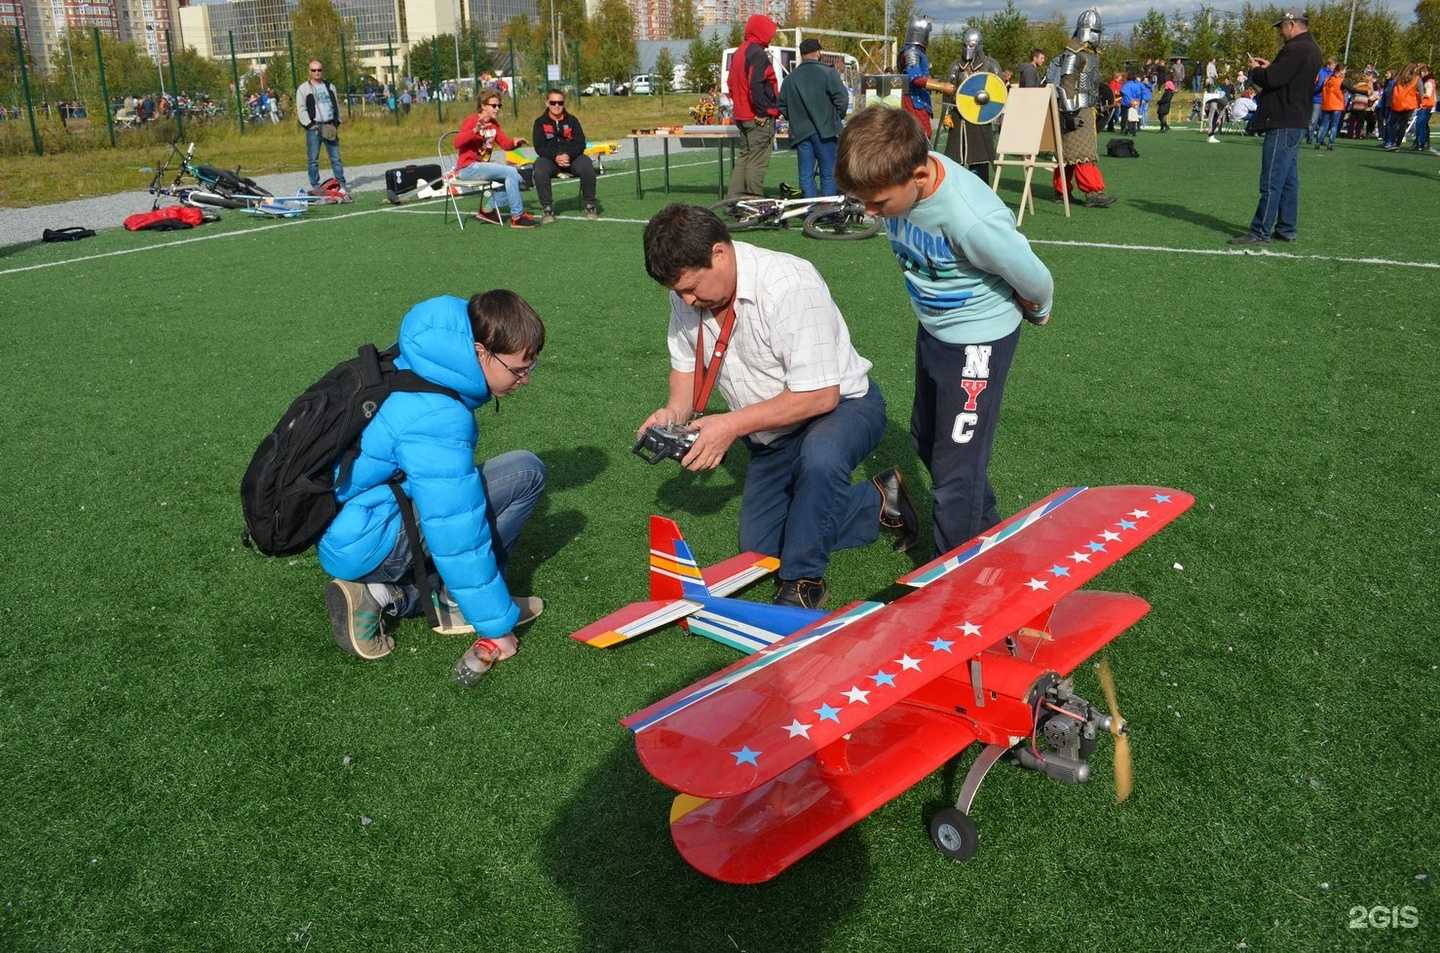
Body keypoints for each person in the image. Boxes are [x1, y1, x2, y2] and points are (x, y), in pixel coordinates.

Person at [637, 204, 920, 609]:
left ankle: (803, 581)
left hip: (842, 410)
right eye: (678, 292)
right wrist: (673, 415)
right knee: (759, 552)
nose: (686, 299)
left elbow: (821, 394)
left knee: (820, 457)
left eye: (691, 288)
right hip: (771, 429)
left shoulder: (789, 283)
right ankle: (879, 499)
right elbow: (685, 370)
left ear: (720, 253)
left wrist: (731, 426)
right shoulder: (688, 296)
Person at [836, 106, 1054, 554]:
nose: (872, 214)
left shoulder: (969, 217)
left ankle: (953, 581)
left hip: (978, 342)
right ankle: (990, 536)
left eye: (879, 204)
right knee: (927, 439)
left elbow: (1035, 277)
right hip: (936, 331)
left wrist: (1039, 310)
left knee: (956, 470)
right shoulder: (898, 179)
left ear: (918, 175)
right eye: (864, 203)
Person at [319, 291, 548, 683]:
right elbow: (456, 531)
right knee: (525, 473)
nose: (524, 380)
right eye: (518, 369)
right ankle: (409, 598)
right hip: (370, 541)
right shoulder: (440, 416)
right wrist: (494, 627)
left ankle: (389, 592)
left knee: (485, 484)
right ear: (480, 351)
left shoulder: (420, 359)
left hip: (349, 525)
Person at [1229, 11, 1323, 246]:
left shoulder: (1296, 48)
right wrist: (1272, 67)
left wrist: (1255, 70)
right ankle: (1286, 227)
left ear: (1291, 25)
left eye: (1281, 27)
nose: (1280, 32)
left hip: (1283, 119)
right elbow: (1285, 76)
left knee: (1272, 179)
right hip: (1295, 119)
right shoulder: (1311, 48)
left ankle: (1260, 231)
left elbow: (1272, 79)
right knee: (1288, 180)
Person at [1047, 10, 1118, 208]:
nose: (1097, 35)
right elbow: (1066, 84)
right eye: (1095, 31)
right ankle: (1093, 191)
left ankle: (1062, 191)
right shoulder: (1074, 53)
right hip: (1075, 109)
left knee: (1069, 154)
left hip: (1085, 107)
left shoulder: (1089, 54)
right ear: (1086, 31)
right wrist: (1069, 113)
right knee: (1082, 152)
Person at [451, 92, 538, 229]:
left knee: (518, 179)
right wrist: (475, 130)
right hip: (468, 168)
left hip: (482, 167)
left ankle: (488, 209)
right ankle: (517, 217)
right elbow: (456, 143)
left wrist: (515, 143)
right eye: (494, 105)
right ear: (483, 106)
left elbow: (505, 144)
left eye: (499, 105)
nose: (497, 108)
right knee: (511, 172)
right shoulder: (472, 120)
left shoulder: (494, 124)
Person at [779, 38, 849, 197]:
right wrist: (836, 116)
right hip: (826, 131)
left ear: (802, 54)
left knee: (806, 174)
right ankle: (828, 209)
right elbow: (842, 99)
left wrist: (795, 118)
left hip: (801, 132)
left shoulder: (790, 78)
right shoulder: (828, 72)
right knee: (828, 172)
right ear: (818, 53)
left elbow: (782, 105)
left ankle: (809, 207)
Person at [725, 13, 781, 199]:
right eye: (770, 31)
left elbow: (731, 84)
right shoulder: (757, 54)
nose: (772, 36)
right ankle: (753, 203)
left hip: (742, 114)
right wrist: (763, 112)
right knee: (756, 161)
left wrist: (740, 107)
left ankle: (734, 201)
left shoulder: (739, 52)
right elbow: (756, 85)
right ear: (762, 31)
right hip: (756, 117)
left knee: (744, 158)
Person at [940, 25, 1001, 182]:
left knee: (979, 159)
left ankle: (981, 192)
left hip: (979, 120)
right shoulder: (956, 66)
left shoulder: (991, 65)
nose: (968, 48)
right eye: (965, 45)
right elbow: (947, 93)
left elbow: (999, 93)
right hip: (958, 117)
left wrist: (997, 116)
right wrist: (946, 115)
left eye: (972, 45)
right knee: (956, 160)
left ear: (979, 46)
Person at [530, 91, 598, 223]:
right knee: (540, 169)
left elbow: (580, 143)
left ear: (563, 103)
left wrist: (568, 155)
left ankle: (590, 205)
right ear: (547, 103)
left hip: (572, 158)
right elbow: (539, 147)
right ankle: (547, 208)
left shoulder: (572, 120)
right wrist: (555, 157)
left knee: (587, 165)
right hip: (550, 159)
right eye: (553, 102)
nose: (556, 105)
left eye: (560, 103)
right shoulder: (539, 122)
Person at [296, 61, 350, 197]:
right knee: (313, 159)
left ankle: (341, 184)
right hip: (314, 127)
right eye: (313, 70)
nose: (316, 72)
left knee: (336, 157)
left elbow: (336, 105)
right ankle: (315, 185)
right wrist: (309, 125)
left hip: (329, 125)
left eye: (319, 70)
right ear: (309, 71)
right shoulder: (303, 89)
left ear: (322, 70)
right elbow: (301, 109)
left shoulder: (330, 86)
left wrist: (336, 122)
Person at [899, 14, 935, 137]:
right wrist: (941, 86)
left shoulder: (916, 51)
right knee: (921, 136)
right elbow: (916, 79)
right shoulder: (912, 52)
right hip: (914, 101)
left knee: (923, 135)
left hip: (918, 99)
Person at [1316, 65, 1354, 150]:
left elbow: (1320, 88)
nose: (1345, 72)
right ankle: (1330, 144)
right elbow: (1351, 90)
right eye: (1344, 70)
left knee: (1323, 125)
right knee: (1334, 126)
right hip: (1337, 105)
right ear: (1340, 71)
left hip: (1326, 104)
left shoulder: (1327, 79)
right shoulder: (1342, 81)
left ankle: (1318, 142)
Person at [1308, 58, 1336, 143]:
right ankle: (1310, 137)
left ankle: (1320, 139)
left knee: (1324, 121)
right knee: (1314, 120)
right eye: (1333, 65)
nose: (1334, 67)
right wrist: (1319, 89)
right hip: (1317, 99)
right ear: (1328, 65)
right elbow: (1316, 84)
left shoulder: (1334, 75)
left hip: (1328, 100)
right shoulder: (1320, 72)